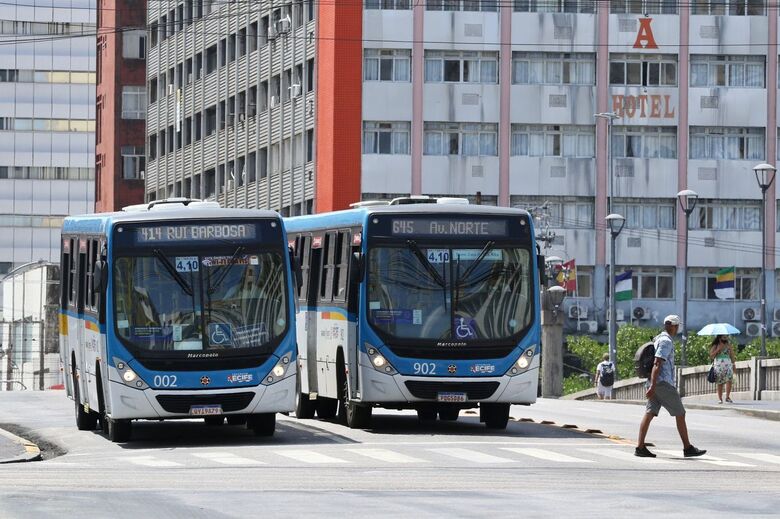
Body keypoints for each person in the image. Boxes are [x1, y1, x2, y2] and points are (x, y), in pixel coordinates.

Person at [635, 315, 707, 458]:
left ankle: (640, 447)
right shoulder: (666, 341)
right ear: (673, 326)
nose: (678, 328)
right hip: (662, 383)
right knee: (680, 413)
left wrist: (652, 385)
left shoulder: (657, 338)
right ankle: (687, 448)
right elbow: (657, 363)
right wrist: (653, 386)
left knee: (649, 413)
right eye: (677, 326)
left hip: (655, 382)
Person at [709, 335, 736, 404]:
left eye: (726, 337)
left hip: (728, 365)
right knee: (720, 382)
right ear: (720, 338)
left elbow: (732, 355)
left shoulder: (728, 345)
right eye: (724, 337)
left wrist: (734, 364)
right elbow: (711, 355)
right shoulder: (715, 345)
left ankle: (727, 397)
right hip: (718, 366)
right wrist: (718, 349)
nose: (725, 338)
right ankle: (720, 398)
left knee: (729, 380)